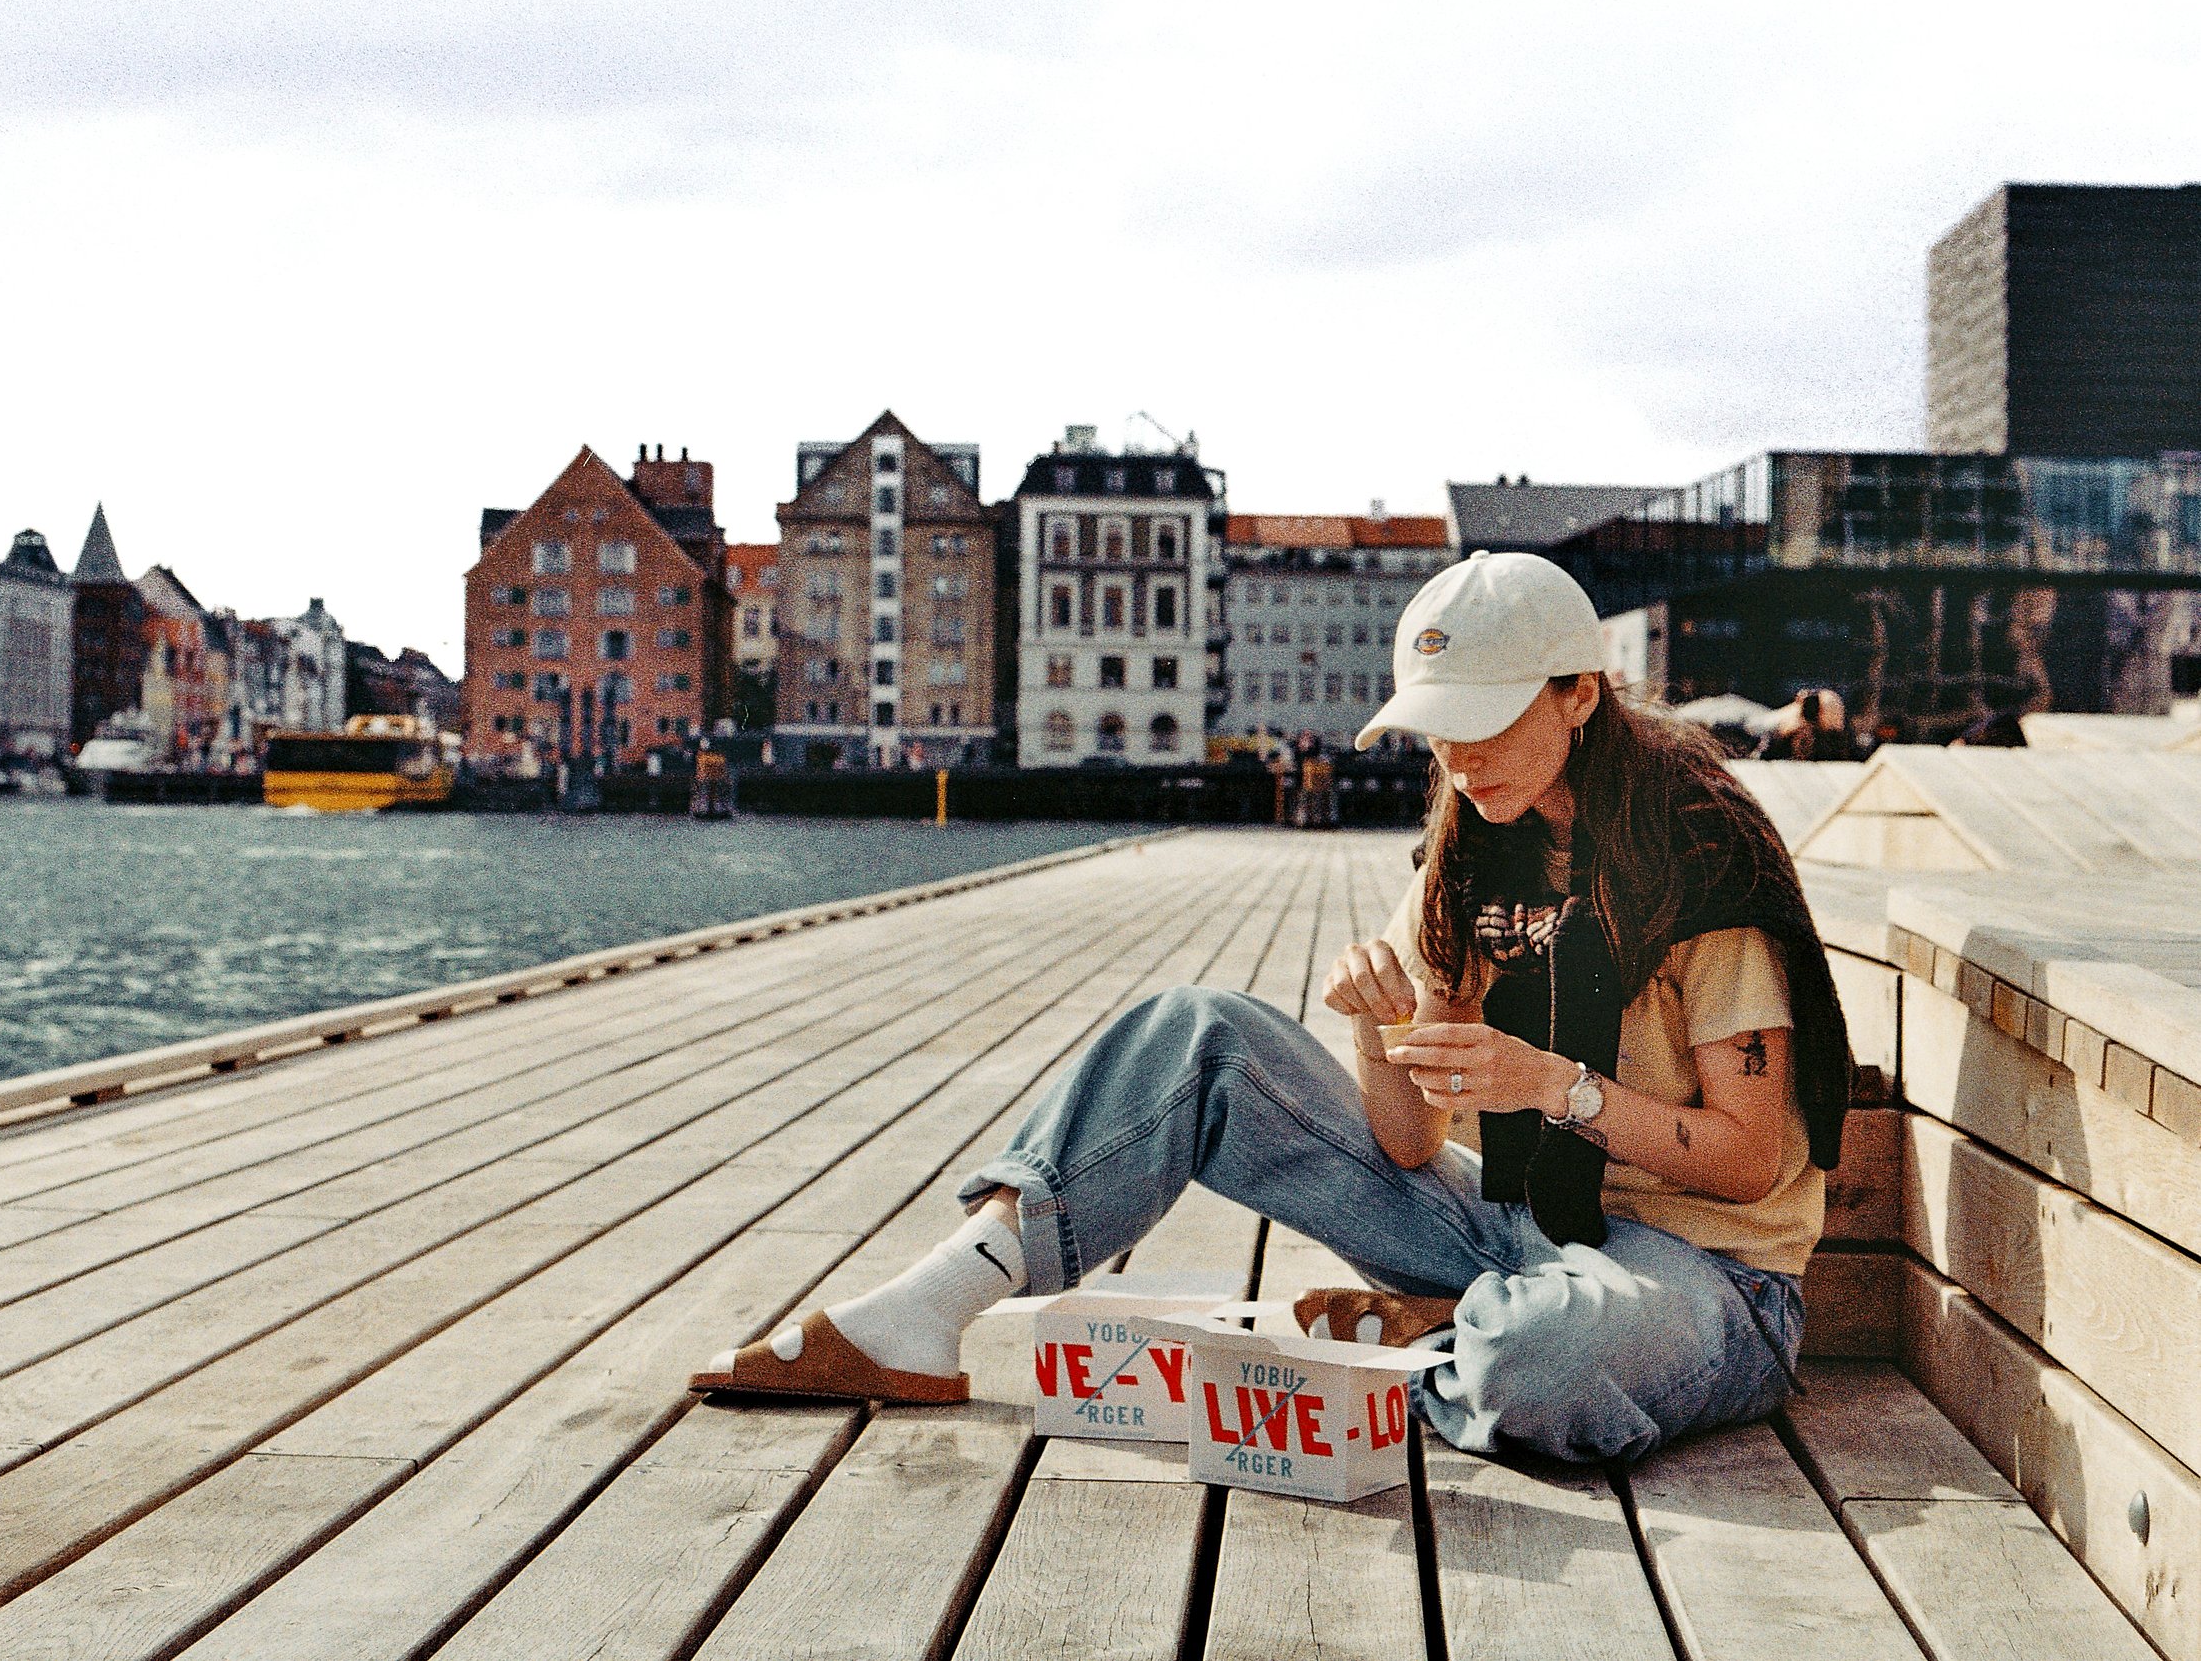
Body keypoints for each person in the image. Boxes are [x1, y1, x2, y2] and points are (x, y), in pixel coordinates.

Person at [692, 551, 1853, 1462]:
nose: (1456, 756)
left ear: (1580, 695)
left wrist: (1553, 1087)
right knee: (1195, 1030)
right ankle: (928, 1307)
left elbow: (1751, 1163)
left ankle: (1450, 1333)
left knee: (1536, 1363)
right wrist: (1371, 1018)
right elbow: (1403, 1143)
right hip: (1516, 1225)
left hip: (1703, 1279)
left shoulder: (1698, 861)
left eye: (1485, 720)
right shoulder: (1468, 848)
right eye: (1435, 726)